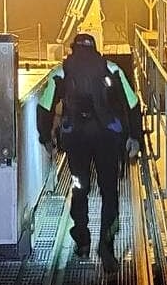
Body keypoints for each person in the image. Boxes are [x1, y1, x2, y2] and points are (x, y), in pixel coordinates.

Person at [37, 34, 143, 270]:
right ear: (96, 49)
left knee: (79, 188)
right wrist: (135, 137)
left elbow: (44, 106)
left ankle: (82, 242)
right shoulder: (111, 68)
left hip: (76, 140)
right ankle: (106, 249)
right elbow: (133, 103)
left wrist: (46, 137)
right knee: (109, 191)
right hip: (108, 139)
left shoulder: (62, 70)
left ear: (73, 49)